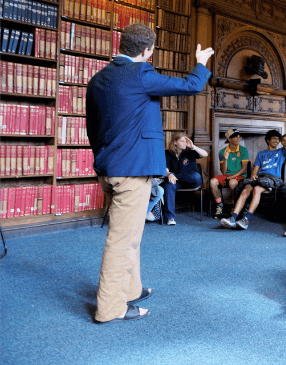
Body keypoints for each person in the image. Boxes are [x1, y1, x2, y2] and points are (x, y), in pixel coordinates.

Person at [86, 23, 212, 323]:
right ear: (146, 51)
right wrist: (201, 63)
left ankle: (131, 289)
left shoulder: (98, 79)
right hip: (132, 170)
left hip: (109, 167)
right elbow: (191, 86)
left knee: (132, 234)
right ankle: (110, 308)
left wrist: (103, 161)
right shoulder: (141, 74)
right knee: (122, 239)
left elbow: (92, 127)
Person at [220, 128, 286, 230]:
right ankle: (233, 218)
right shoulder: (261, 154)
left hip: (272, 179)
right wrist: (253, 175)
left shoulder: (281, 152)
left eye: (278, 139)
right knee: (245, 189)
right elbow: (255, 169)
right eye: (274, 139)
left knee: (257, 189)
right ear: (268, 140)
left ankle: (246, 220)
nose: (277, 141)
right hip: (260, 177)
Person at [162, 132, 208, 225]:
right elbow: (165, 168)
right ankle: (170, 218)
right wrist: (169, 173)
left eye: (186, 141)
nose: (185, 143)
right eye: (182, 141)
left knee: (196, 176)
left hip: (192, 180)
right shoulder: (168, 153)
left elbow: (205, 154)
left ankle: (174, 176)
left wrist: (193, 146)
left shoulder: (190, 152)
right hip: (178, 182)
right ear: (175, 142)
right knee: (168, 184)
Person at [211, 129, 249, 218]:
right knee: (212, 181)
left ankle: (234, 205)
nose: (238, 138)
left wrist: (233, 176)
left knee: (232, 182)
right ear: (229, 139)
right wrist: (225, 159)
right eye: (235, 136)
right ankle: (219, 204)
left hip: (239, 175)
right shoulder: (222, 152)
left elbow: (244, 169)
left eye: (239, 136)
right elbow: (223, 172)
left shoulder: (243, 150)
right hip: (227, 175)